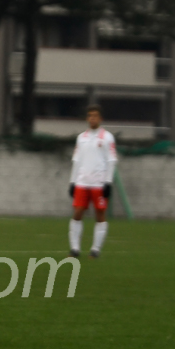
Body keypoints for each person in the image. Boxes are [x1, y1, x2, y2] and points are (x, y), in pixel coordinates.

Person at [69, 105, 117, 258]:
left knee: (100, 215)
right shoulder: (81, 138)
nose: (92, 118)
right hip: (82, 182)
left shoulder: (107, 137)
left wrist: (108, 182)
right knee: (77, 213)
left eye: (95, 116)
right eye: (90, 116)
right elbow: (76, 160)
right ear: (87, 118)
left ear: (100, 119)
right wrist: (72, 182)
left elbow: (111, 160)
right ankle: (75, 249)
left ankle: (95, 250)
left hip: (99, 183)